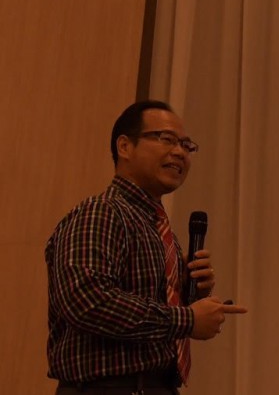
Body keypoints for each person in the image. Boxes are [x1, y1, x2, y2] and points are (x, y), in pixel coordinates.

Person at [46, 100, 248, 394]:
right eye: (166, 139)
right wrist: (188, 319)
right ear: (125, 147)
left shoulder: (158, 229)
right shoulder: (102, 212)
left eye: (186, 145)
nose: (179, 152)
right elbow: (87, 301)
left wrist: (186, 291)